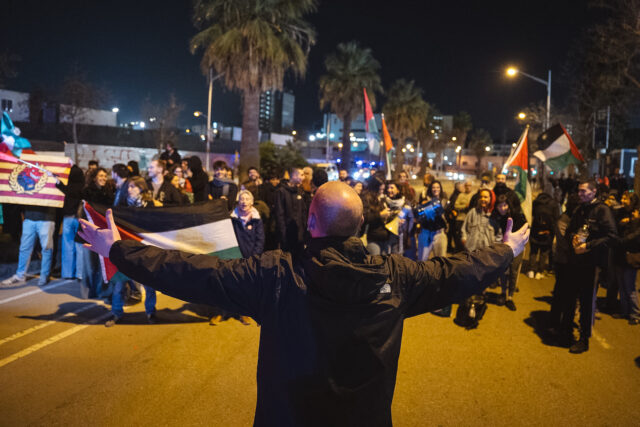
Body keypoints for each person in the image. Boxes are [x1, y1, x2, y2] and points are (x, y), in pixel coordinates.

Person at [78, 181, 529, 427]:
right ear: (359, 226)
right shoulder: (397, 277)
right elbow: (457, 273)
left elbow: (192, 273)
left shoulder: (274, 274)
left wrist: (118, 249)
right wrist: (505, 251)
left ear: (311, 220)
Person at [565, 179, 618, 354]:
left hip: (592, 263)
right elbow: (570, 230)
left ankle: (583, 339)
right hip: (576, 261)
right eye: (579, 191)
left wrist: (588, 246)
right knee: (571, 296)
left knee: (587, 302)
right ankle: (567, 331)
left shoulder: (602, 210)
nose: (580, 194)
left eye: (584, 191)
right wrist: (573, 238)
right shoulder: (580, 209)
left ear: (594, 191)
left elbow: (612, 236)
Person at [105, 176, 158, 327]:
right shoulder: (121, 205)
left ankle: (151, 312)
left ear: (141, 188)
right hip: (126, 249)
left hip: (144, 249)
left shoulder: (150, 205)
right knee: (119, 283)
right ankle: (116, 312)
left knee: (149, 283)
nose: (129, 189)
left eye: (133, 186)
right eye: (128, 186)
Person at [79, 167, 115, 298]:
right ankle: (89, 292)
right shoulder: (87, 192)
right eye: (100, 176)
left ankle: (101, 291)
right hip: (89, 233)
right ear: (94, 178)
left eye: (105, 176)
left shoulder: (108, 193)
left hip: (102, 234)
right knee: (89, 265)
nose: (103, 178)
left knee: (101, 264)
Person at [491, 194, 527, 310]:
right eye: (499, 206)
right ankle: (503, 292)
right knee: (503, 271)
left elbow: (526, 229)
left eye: (505, 205)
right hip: (503, 249)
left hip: (517, 248)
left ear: (509, 205)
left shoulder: (517, 216)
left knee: (513, 272)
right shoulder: (496, 217)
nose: (502, 208)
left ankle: (510, 297)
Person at [612, 191, 640, 324]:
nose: (622, 201)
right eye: (622, 198)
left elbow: (636, 235)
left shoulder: (637, 215)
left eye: (625, 198)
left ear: (632, 201)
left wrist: (633, 221)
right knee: (622, 285)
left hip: (631, 255)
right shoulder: (621, 213)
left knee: (630, 286)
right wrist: (624, 222)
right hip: (620, 254)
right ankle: (624, 311)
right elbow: (615, 226)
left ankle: (635, 314)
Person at [53, 165, 85, 280]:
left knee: (67, 245)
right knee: (80, 247)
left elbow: (62, 187)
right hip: (80, 219)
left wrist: (57, 180)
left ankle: (67, 273)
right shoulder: (83, 188)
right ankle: (80, 274)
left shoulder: (67, 187)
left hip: (67, 218)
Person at [274, 167, 309, 252]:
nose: (304, 177)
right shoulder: (281, 192)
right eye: (301, 175)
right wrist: (283, 234)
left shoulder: (300, 191)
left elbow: (303, 212)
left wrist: (305, 232)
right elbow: (279, 215)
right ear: (294, 176)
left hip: (299, 235)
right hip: (287, 235)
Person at [526, 192, 559, 279]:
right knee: (544, 253)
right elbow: (556, 218)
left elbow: (532, 214)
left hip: (535, 230)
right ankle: (539, 272)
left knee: (533, 251)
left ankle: (531, 270)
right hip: (548, 232)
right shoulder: (554, 204)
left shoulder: (535, 202)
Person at [416, 180, 448, 261]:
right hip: (426, 232)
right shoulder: (425, 201)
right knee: (422, 259)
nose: (435, 189)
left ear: (440, 189)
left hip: (439, 232)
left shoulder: (444, 201)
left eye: (438, 187)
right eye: (433, 187)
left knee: (441, 260)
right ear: (430, 189)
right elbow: (419, 215)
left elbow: (447, 216)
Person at [452, 181, 473, 252]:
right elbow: (456, 205)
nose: (468, 187)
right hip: (461, 218)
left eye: (469, 185)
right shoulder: (461, 195)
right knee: (459, 236)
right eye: (466, 185)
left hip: (470, 220)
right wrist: (465, 206)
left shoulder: (473, 195)